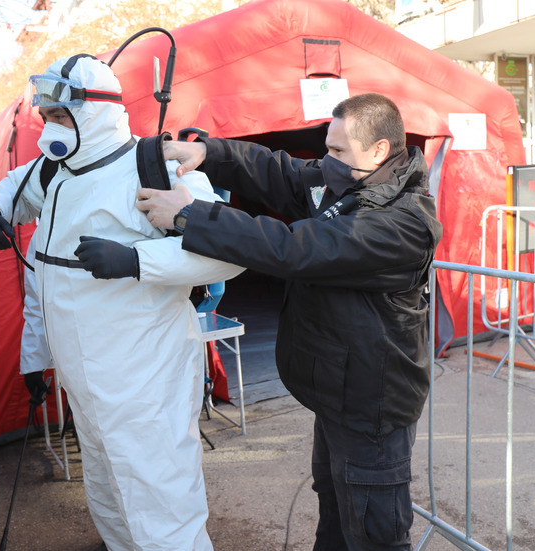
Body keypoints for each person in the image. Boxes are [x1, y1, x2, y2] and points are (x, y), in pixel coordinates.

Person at [136, 93, 443, 550]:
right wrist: (210, 153)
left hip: (372, 404)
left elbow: (293, 247)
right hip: (338, 393)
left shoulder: (403, 223)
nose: (326, 161)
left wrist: (190, 216)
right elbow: (282, 172)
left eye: (338, 151)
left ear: (379, 150)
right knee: (336, 509)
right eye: (328, 147)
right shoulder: (351, 180)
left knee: (374, 530)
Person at [0, 54, 243, 550]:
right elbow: (15, 192)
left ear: (94, 111)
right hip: (84, 376)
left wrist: (135, 261)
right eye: (46, 118)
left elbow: (228, 255)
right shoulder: (53, 171)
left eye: (61, 118)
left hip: (144, 377)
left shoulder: (155, 166)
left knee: (159, 496)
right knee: (108, 489)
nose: (50, 129)